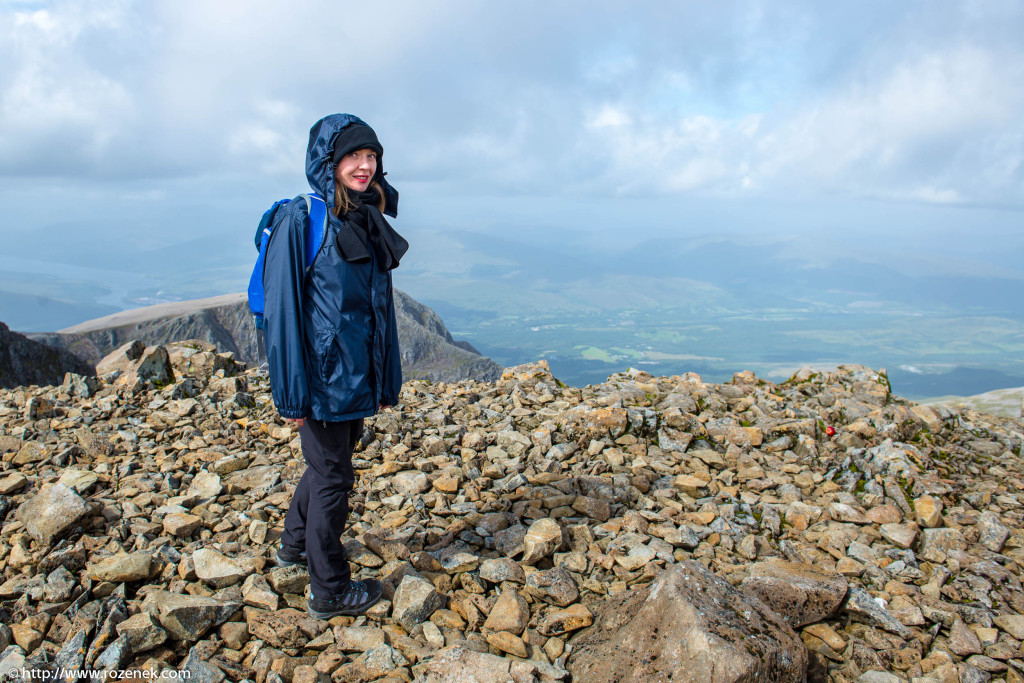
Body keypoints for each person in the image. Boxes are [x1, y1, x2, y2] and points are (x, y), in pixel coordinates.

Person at [262, 114, 408, 619]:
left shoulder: (363, 217)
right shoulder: (303, 219)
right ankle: (329, 590)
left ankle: (295, 545)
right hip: (321, 381)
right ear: (330, 161)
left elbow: (375, 309)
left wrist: (383, 378)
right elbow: (282, 311)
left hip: (351, 378)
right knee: (333, 478)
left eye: (372, 156)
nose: (365, 166)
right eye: (353, 155)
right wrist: (292, 395)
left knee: (328, 466)